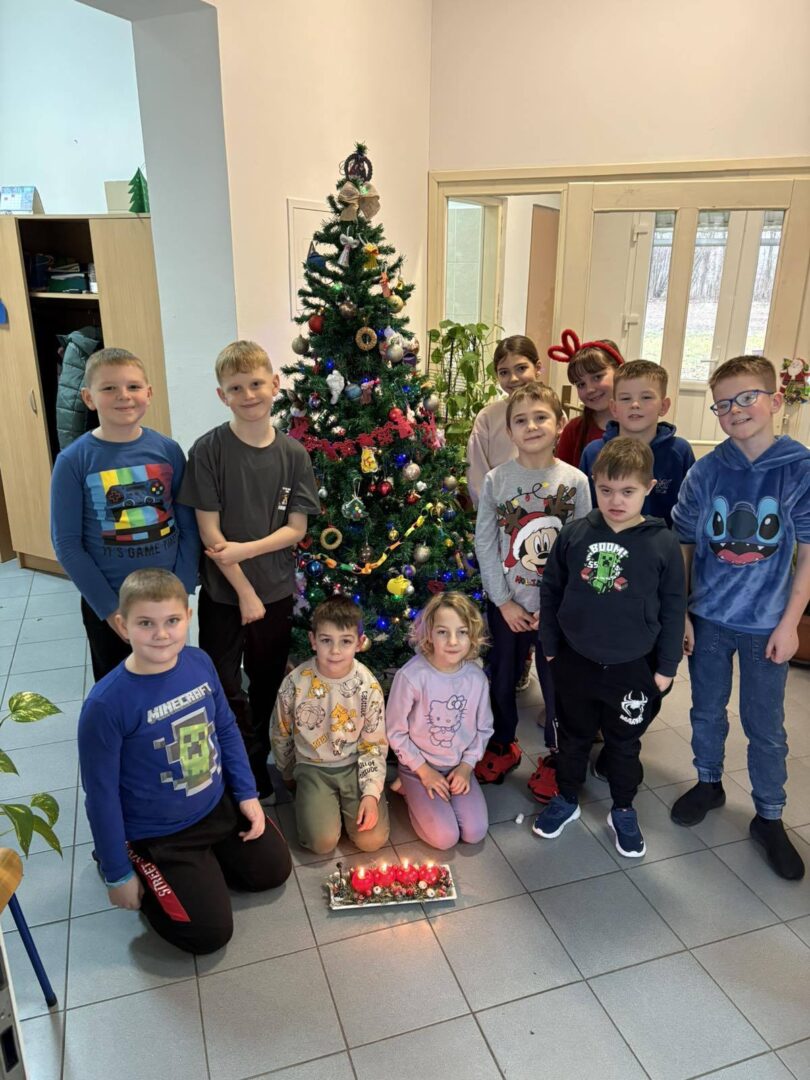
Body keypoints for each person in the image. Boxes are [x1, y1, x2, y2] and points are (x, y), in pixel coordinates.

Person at [77, 569, 292, 955]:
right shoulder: (105, 705)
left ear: (188, 617)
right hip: (161, 833)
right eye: (146, 623)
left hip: (215, 805)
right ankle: (141, 860)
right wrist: (117, 873)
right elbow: (101, 795)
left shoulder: (199, 662)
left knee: (273, 871)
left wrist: (246, 794)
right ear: (123, 625)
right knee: (208, 934)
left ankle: (205, 866)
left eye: (172, 621)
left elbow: (225, 729)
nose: (161, 634)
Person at [671, 355, 810, 880]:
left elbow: (808, 553)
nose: (736, 410)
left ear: (775, 400)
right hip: (708, 618)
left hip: (766, 625)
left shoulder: (799, 469)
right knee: (706, 711)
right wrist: (682, 612)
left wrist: (790, 623)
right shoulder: (706, 471)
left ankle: (769, 815)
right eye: (724, 404)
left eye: (748, 397)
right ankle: (709, 782)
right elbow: (685, 543)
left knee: (765, 725)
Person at [179, 340, 320, 798]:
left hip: (275, 590)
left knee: (266, 680)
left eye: (256, 383)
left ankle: (257, 761)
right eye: (236, 388)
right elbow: (211, 535)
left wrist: (245, 550)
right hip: (225, 594)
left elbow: (296, 528)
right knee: (221, 682)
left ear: (275, 384)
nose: (248, 395)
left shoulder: (293, 455)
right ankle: (233, 758)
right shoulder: (208, 450)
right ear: (222, 395)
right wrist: (243, 590)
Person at [535, 438, 685, 857]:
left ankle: (622, 808)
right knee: (573, 737)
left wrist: (667, 666)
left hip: (633, 666)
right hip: (575, 660)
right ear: (594, 484)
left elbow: (674, 605)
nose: (616, 500)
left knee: (623, 744)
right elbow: (552, 590)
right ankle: (567, 798)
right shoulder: (575, 534)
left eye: (628, 491)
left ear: (649, 488)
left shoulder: (663, 543)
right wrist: (550, 646)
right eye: (606, 490)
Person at [51, 347, 200, 683]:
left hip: (166, 600)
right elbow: (67, 545)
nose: (124, 396)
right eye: (109, 388)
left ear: (149, 393)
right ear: (89, 398)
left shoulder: (168, 451)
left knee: (170, 684)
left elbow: (189, 526)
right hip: (111, 604)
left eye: (133, 386)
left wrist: (181, 588)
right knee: (119, 687)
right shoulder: (73, 461)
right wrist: (109, 609)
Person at [473, 381, 591, 800]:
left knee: (557, 683)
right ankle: (502, 742)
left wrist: (557, 606)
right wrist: (503, 601)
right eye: (521, 420)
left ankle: (557, 755)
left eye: (541, 417)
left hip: (555, 611)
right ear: (509, 431)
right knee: (502, 677)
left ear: (559, 423)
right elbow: (485, 543)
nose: (532, 426)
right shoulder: (496, 480)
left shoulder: (575, 481)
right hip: (508, 606)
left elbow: (582, 547)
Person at [271, 597, 390, 855]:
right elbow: (281, 732)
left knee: (372, 840)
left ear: (359, 643)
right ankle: (318, 808)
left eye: (345, 641)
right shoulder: (295, 683)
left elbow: (374, 744)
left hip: (355, 764)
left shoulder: (368, 686)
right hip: (312, 767)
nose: (335, 651)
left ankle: (345, 809)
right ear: (313, 640)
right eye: (326, 640)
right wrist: (288, 773)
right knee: (321, 843)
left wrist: (371, 794)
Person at [386, 593, 493, 850]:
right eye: (443, 632)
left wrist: (466, 767)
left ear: (472, 636)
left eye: (462, 632)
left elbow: (484, 728)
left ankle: (435, 795)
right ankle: (408, 789)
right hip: (418, 767)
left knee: (475, 832)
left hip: (457, 766)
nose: (453, 641)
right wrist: (423, 771)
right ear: (429, 635)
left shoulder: (477, 679)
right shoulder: (411, 677)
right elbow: (395, 732)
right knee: (445, 839)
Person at [580, 359, 695, 527]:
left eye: (646, 397)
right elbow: (585, 509)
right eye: (626, 398)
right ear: (614, 408)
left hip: (665, 541)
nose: (635, 405)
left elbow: (690, 508)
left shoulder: (679, 451)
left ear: (663, 406)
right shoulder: (594, 452)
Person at [466, 334, 544, 507]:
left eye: (521, 368)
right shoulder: (488, 417)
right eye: (504, 372)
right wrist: (491, 512)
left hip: (546, 507)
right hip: (501, 510)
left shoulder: (553, 414)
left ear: (537, 368)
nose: (513, 378)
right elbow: (477, 475)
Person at [548, 329, 624, 466]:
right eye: (581, 384)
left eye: (597, 377)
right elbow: (561, 476)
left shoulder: (639, 423)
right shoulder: (573, 430)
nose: (590, 389)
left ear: (619, 371)